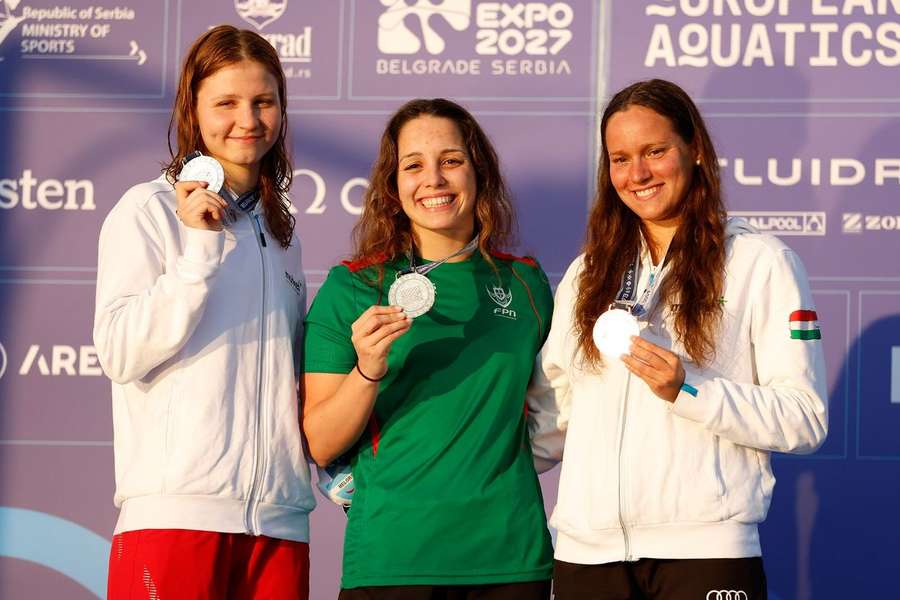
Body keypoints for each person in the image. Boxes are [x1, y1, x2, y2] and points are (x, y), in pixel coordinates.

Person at [528, 79, 828, 600]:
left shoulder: (761, 262)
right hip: (585, 557)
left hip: (705, 555)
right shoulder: (587, 273)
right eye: (620, 158)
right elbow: (549, 419)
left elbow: (804, 418)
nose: (637, 173)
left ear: (694, 152)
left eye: (655, 152)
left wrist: (688, 388)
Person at [93, 25, 313, 599]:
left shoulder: (282, 228)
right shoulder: (148, 210)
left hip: (279, 522)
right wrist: (197, 254)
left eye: (264, 102)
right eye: (227, 103)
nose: (248, 119)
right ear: (193, 110)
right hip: (176, 518)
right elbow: (120, 351)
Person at [303, 98, 554, 599]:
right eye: (413, 165)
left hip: (510, 559)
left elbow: (556, 411)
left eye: (451, 161)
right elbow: (322, 443)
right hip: (394, 560)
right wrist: (368, 370)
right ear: (393, 187)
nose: (434, 179)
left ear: (477, 171)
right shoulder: (353, 287)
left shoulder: (526, 284)